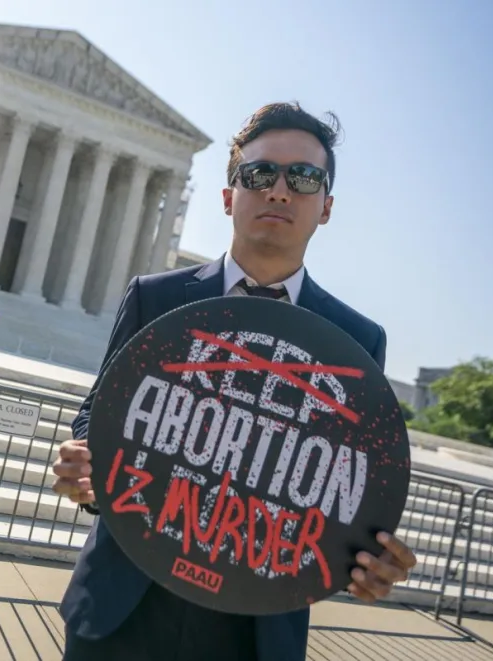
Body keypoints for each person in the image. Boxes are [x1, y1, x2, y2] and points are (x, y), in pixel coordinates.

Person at [52, 102, 419, 661]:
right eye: (259, 174)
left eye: (304, 177)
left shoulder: (356, 339)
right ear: (229, 196)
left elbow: (348, 480)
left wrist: (368, 556)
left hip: (254, 630)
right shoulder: (155, 296)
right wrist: (84, 461)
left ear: (326, 207)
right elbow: (98, 411)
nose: (279, 190)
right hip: (122, 606)